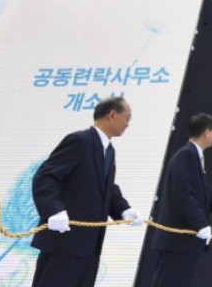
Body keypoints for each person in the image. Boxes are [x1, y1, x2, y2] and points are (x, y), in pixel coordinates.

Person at [30, 96, 143, 287]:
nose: (128, 124)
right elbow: (45, 177)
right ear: (113, 115)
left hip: (90, 247)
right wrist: (53, 211)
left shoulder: (109, 150)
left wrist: (123, 210)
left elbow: (107, 187)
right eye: (128, 117)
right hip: (64, 242)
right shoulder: (79, 141)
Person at [151, 113, 212, 287]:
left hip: (186, 243)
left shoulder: (195, 157)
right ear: (207, 133)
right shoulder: (186, 155)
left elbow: (205, 191)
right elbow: (183, 194)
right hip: (176, 242)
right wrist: (200, 223)